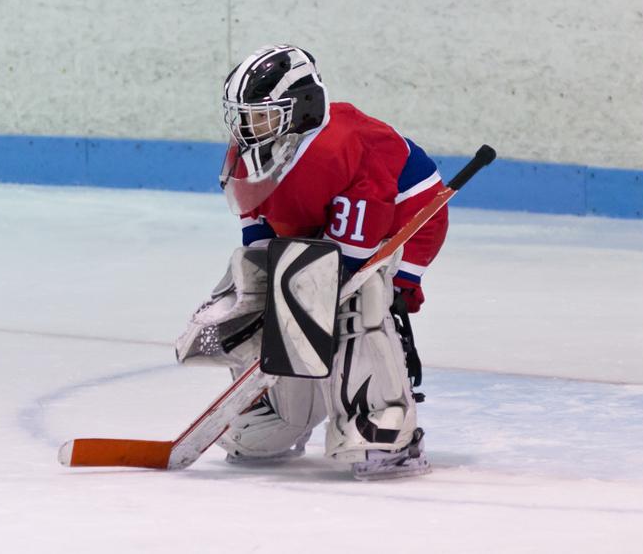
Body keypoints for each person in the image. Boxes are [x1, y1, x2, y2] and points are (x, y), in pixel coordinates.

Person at [176, 44, 447, 480]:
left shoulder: (343, 148)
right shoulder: (253, 151)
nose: (247, 126)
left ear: (300, 108)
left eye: (260, 115)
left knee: (355, 299)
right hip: (322, 218)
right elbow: (259, 230)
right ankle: (282, 415)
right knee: (260, 278)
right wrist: (259, 296)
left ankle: (380, 420)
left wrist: (313, 296)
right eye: (242, 115)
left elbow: (349, 264)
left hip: (404, 215)